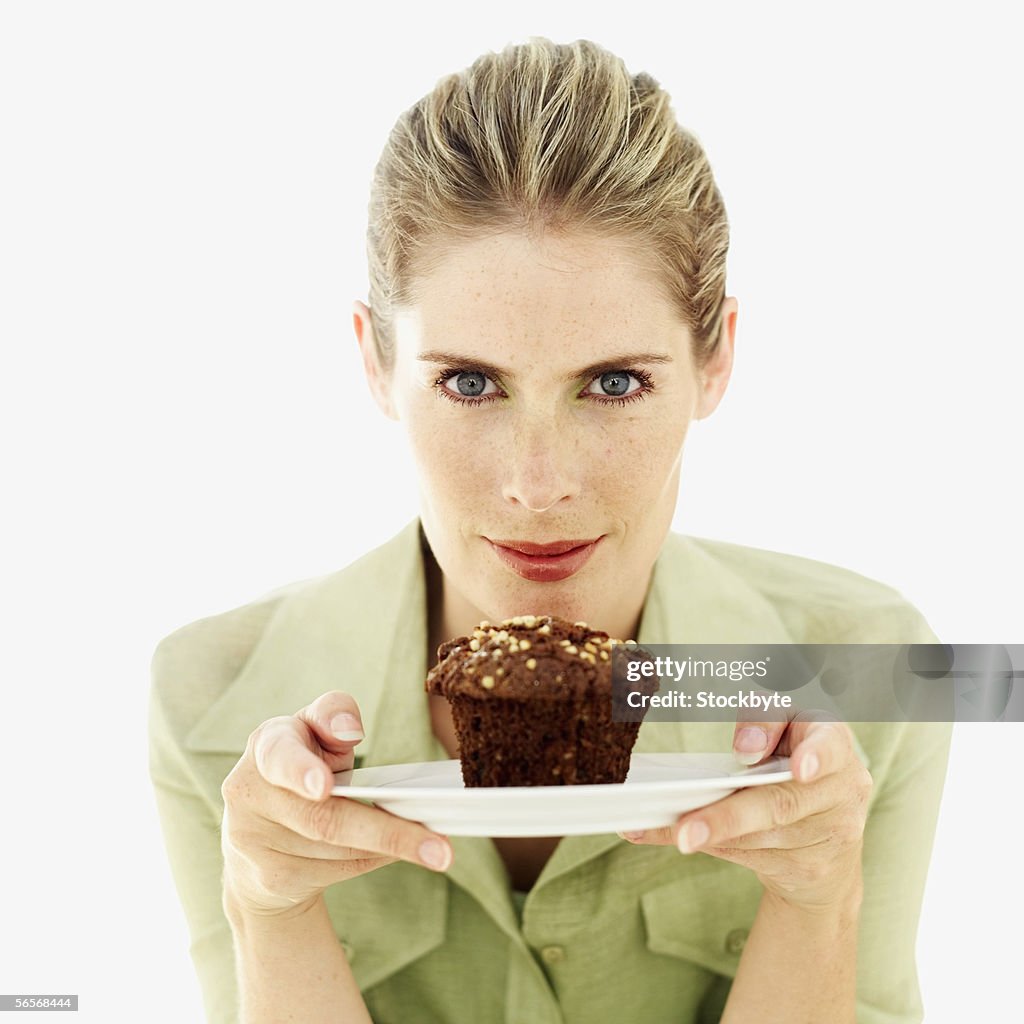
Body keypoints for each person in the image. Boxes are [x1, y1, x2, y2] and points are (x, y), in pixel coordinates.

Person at [149, 37, 952, 1024]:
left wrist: (814, 903)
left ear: (714, 360)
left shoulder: (871, 669)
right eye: (470, 382)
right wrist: (270, 909)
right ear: (375, 364)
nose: (537, 485)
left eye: (614, 383)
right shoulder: (208, 695)